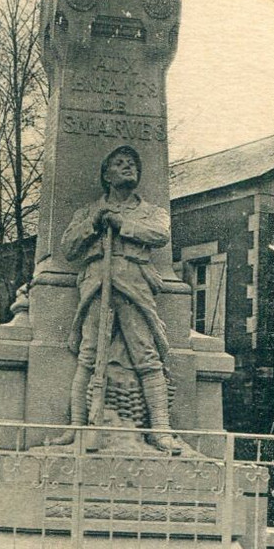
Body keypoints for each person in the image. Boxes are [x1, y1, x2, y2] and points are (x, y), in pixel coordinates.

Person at [56, 144, 180, 452]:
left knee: (146, 354)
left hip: (134, 283)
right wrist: (95, 223)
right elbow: (69, 247)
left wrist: (122, 224)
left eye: (133, 164)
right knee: (88, 354)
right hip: (98, 284)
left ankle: (161, 430)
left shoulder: (151, 212)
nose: (128, 167)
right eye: (120, 163)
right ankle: (77, 428)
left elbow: (159, 234)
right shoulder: (88, 211)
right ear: (106, 175)